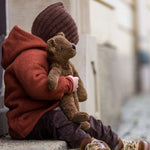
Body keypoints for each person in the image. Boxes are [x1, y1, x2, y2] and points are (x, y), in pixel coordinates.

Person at [1, 2, 150, 150]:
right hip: (27, 123)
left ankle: (119, 144)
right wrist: (67, 84)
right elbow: (38, 87)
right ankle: (87, 144)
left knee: (85, 120)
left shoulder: (46, 57)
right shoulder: (28, 57)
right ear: (55, 40)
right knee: (60, 120)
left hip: (45, 114)